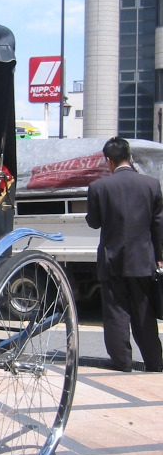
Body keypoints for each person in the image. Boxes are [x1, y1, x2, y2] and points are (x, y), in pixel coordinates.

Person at [86, 136, 163, 372]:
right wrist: (159, 255)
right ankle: (154, 362)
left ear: (108, 161)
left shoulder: (98, 187)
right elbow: (158, 224)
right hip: (143, 259)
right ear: (130, 157)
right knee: (144, 312)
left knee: (116, 312)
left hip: (112, 259)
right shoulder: (152, 185)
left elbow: (94, 222)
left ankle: (122, 362)